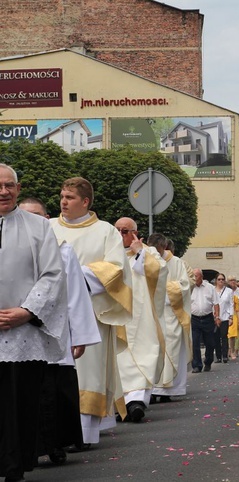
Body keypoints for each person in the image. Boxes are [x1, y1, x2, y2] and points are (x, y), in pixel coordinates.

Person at [50, 177, 131, 446]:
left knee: (88, 373)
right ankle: (54, 432)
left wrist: (75, 276)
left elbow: (116, 267)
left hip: (92, 314)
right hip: (50, 313)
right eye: (62, 196)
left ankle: (82, 434)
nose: (63, 201)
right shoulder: (47, 227)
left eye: (70, 197)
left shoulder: (105, 231)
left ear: (85, 202)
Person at [19, 198, 100, 466]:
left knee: (55, 391)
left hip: (55, 331)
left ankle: (56, 444)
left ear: (47, 218)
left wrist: (80, 335)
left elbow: (75, 295)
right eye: (26, 215)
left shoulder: (63, 251)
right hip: (19, 333)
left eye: (38, 216)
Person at [0, 166, 67, 482]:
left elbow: (53, 273)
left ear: (18, 187)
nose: (3, 191)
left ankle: (15, 467)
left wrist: (26, 311)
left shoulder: (40, 227)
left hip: (24, 331)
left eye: (9, 185)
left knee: (20, 402)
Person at [114, 217, 168, 423]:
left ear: (136, 233)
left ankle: (136, 402)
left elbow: (160, 272)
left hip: (142, 314)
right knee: (119, 359)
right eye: (117, 230)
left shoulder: (148, 252)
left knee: (144, 355)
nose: (121, 235)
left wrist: (139, 252)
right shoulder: (109, 251)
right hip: (117, 315)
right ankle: (119, 404)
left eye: (125, 231)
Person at [148, 233, 192, 404]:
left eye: (157, 250)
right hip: (151, 314)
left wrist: (160, 289)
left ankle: (168, 389)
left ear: (162, 247)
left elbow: (185, 285)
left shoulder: (177, 263)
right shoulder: (147, 260)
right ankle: (151, 389)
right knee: (152, 351)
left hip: (171, 313)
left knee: (171, 351)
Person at [190, 268, 220, 373]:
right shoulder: (190, 288)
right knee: (195, 343)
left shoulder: (210, 288)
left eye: (196, 276)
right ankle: (197, 365)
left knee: (210, 343)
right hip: (194, 319)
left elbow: (216, 303)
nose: (194, 278)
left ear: (201, 277)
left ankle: (208, 362)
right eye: (193, 276)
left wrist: (217, 317)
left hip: (208, 318)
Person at [213, 273, 233, 363]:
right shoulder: (212, 290)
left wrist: (231, 316)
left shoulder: (228, 291)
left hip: (225, 316)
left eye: (222, 279)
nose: (221, 281)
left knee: (224, 336)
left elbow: (231, 304)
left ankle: (225, 355)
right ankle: (218, 356)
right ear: (216, 280)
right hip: (215, 317)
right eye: (219, 279)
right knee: (216, 337)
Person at [227, 276, 239, 360]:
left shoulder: (235, 298)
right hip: (224, 316)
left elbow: (237, 310)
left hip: (233, 316)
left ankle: (232, 351)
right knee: (225, 335)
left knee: (232, 336)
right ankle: (226, 351)